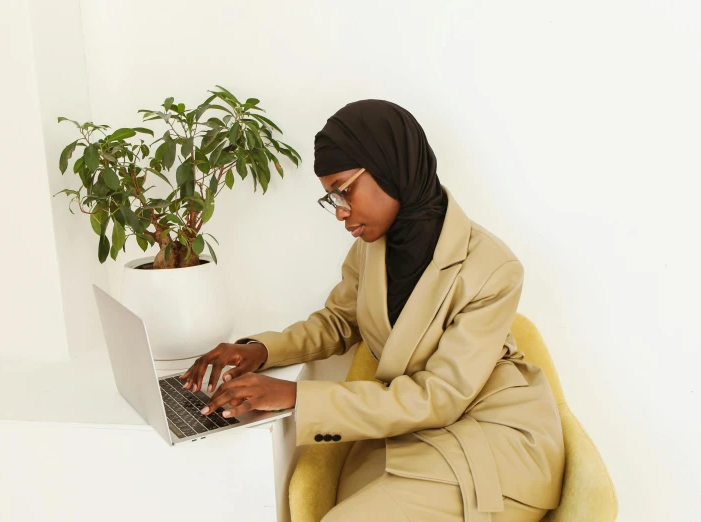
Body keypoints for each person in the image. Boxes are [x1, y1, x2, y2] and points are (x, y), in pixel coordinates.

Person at [179, 100, 565, 521]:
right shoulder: (373, 246)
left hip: (493, 443)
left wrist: (294, 396)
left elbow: (441, 396)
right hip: (415, 434)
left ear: (390, 165)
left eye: (344, 189)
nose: (341, 211)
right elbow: (339, 322)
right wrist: (260, 351)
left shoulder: (493, 268)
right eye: (330, 197)